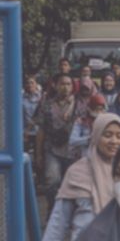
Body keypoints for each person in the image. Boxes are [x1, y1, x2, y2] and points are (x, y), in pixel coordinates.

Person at [37, 113, 120, 241]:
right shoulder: (77, 172)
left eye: (119, 136)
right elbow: (60, 218)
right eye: (108, 135)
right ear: (96, 136)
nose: (114, 141)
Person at [34, 73, 78, 212]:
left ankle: (68, 214)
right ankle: (53, 210)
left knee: (72, 185)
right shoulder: (46, 105)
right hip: (52, 150)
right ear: (55, 85)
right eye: (62, 84)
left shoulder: (78, 105)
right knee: (52, 182)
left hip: (73, 151)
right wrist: (38, 154)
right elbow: (41, 130)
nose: (65, 87)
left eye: (68, 84)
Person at [69, 94, 108, 158]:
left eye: (101, 109)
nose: (99, 112)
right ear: (90, 108)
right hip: (85, 156)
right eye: (96, 109)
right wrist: (89, 140)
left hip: (102, 156)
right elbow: (72, 141)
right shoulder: (81, 121)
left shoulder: (107, 122)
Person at [23, 75, 42, 153]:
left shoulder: (42, 97)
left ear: (36, 84)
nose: (29, 85)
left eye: (32, 83)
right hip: (25, 132)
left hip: (39, 132)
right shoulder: (21, 98)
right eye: (27, 83)